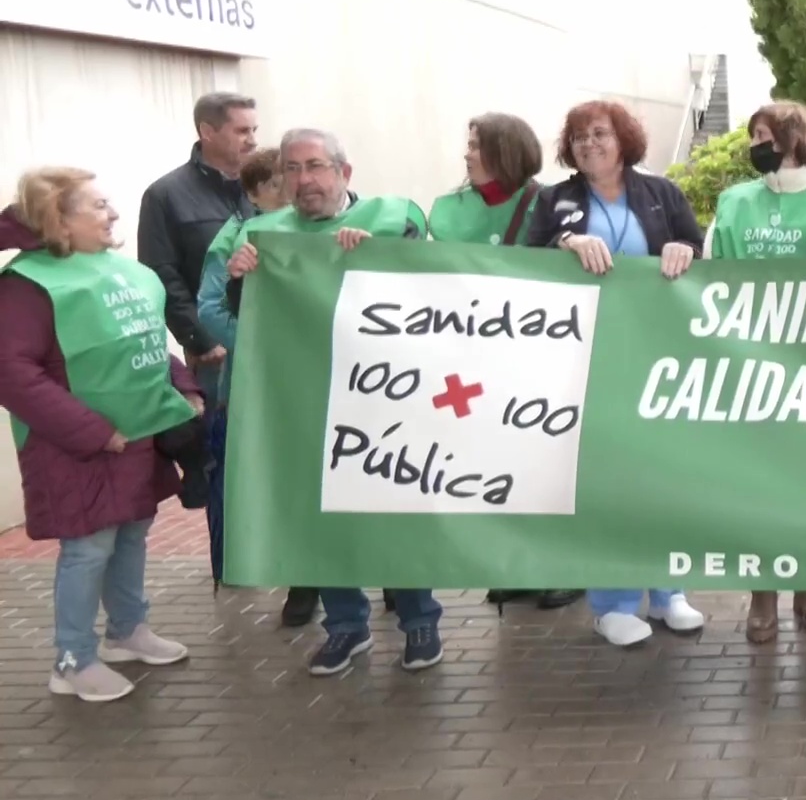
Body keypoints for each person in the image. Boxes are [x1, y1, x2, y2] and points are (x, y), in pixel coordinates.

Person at [225, 128, 445, 677]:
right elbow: (246, 316)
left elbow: (436, 292)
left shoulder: (390, 219)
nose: (304, 180)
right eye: (292, 170)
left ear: (344, 174)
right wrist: (240, 278)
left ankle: (420, 619)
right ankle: (346, 627)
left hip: (386, 398)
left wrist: (384, 259)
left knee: (395, 508)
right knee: (320, 514)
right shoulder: (263, 233)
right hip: (306, 401)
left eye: (315, 166)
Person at [0, 168, 208, 703]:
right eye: (97, 205)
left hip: (135, 437)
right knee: (88, 548)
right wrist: (94, 432)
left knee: (133, 533)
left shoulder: (116, 271)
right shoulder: (28, 286)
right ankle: (72, 660)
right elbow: (13, 373)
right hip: (75, 446)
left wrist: (182, 387)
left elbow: (142, 339)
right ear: (59, 222)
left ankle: (127, 632)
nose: (112, 213)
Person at [526, 100, 707, 647]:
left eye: (599, 133)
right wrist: (565, 243)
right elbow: (523, 262)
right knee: (607, 479)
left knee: (665, 474)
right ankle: (612, 602)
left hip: (657, 357)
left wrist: (683, 250)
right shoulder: (555, 201)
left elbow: (697, 250)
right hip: (588, 362)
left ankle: (669, 591)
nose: (588, 144)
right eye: (578, 137)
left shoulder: (662, 193)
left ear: (622, 139)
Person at [706, 101, 806, 642]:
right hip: (750, 365)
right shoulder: (734, 202)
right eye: (753, 135)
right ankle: (762, 595)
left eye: (763, 135)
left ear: (795, 139)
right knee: (759, 484)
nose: (755, 145)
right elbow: (711, 276)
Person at [427, 112, 584, 614]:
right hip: (475, 360)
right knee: (496, 463)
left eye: (476, 145)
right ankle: (514, 566)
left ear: (506, 151)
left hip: (540, 358)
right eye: (468, 144)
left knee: (546, 464)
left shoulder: (553, 202)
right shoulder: (445, 210)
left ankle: (561, 566)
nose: (467, 154)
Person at [193, 147, 286, 594]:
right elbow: (210, 310)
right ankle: (238, 565)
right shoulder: (235, 238)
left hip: (308, 382)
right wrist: (260, 346)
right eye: (276, 184)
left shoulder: (317, 227)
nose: (289, 189)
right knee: (242, 478)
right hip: (250, 384)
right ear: (254, 194)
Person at [137, 92, 259, 390]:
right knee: (223, 434)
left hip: (268, 342)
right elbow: (161, 274)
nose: (253, 140)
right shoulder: (166, 195)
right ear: (207, 132)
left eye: (255, 130)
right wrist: (201, 340)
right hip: (215, 355)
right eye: (242, 131)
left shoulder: (267, 189)